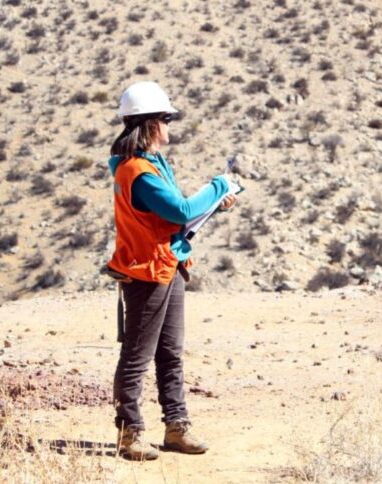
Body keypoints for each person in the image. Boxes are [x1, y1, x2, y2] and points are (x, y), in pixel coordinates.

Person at [106, 81, 237, 461]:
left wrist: (215, 204)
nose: (169, 126)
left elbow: (172, 217)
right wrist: (218, 186)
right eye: (165, 118)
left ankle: (175, 426)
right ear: (149, 124)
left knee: (169, 352)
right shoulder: (139, 171)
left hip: (167, 263)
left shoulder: (151, 164)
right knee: (137, 355)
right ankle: (129, 433)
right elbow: (178, 210)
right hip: (147, 271)